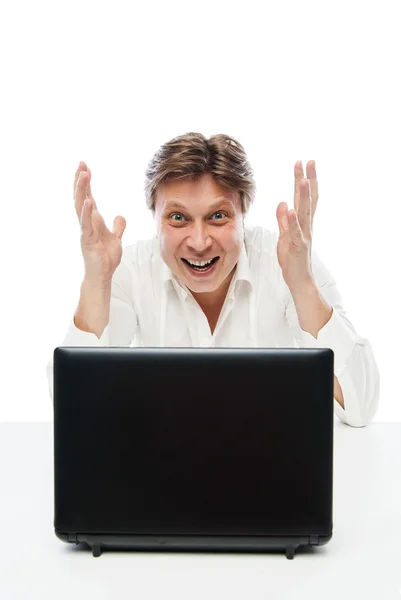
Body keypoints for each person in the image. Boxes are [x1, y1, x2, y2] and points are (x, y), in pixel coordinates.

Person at [46, 132, 380, 427]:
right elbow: (73, 406)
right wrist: (96, 278)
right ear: (154, 216)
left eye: (217, 216)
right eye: (178, 218)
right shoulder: (128, 268)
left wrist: (302, 283)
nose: (199, 241)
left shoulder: (288, 259)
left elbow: (360, 408)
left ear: (243, 214)